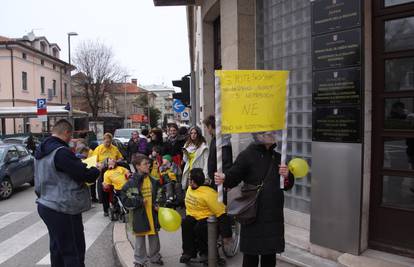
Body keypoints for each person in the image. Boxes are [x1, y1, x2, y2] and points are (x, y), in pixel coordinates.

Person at [214, 131, 294, 267]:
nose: (272, 135)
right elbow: (234, 176)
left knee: (269, 255)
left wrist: (287, 176)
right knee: (251, 256)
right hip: (253, 213)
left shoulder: (279, 157)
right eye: (268, 133)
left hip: (273, 215)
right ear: (259, 136)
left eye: (273, 133)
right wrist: (224, 178)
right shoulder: (247, 155)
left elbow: (287, 185)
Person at [34, 119, 100, 267]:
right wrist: (97, 169)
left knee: (57, 249)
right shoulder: (61, 152)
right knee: (73, 251)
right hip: (63, 207)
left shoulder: (42, 149)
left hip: (46, 203)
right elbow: (84, 174)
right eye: (70, 136)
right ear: (66, 133)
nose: (71, 140)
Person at [180, 168, 232, 263]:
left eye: (189, 179)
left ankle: (209, 254)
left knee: (200, 228)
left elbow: (221, 212)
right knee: (185, 223)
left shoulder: (209, 194)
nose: (188, 181)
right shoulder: (189, 189)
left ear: (193, 181)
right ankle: (189, 252)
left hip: (208, 218)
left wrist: (226, 235)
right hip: (193, 216)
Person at [120, 154, 164, 267]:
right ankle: (140, 260)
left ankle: (155, 257)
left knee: (154, 238)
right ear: (138, 166)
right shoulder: (131, 183)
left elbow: (160, 193)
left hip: (152, 213)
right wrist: (139, 201)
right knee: (140, 240)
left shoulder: (153, 181)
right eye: (145, 164)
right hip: (139, 215)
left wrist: (158, 204)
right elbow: (125, 198)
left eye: (148, 163)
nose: (148, 165)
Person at [93, 132, 124, 216]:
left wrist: (116, 161)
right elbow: (93, 161)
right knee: (104, 190)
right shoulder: (98, 149)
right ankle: (105, 209)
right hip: (103, 172)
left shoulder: (114, 148)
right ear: (103, 140)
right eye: (106, 142)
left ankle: (116, 206)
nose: (108, 144)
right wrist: (100, 164)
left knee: (115, 190)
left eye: (109, 142)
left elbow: (121, 158)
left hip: (114, 172)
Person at [203, 115, 233, 188]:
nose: (206, 129)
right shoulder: (215, 139)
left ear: (210, 126)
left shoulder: (222, 142)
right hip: (215, 179)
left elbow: (226, 161)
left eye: (206, 127)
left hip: (220, 181)